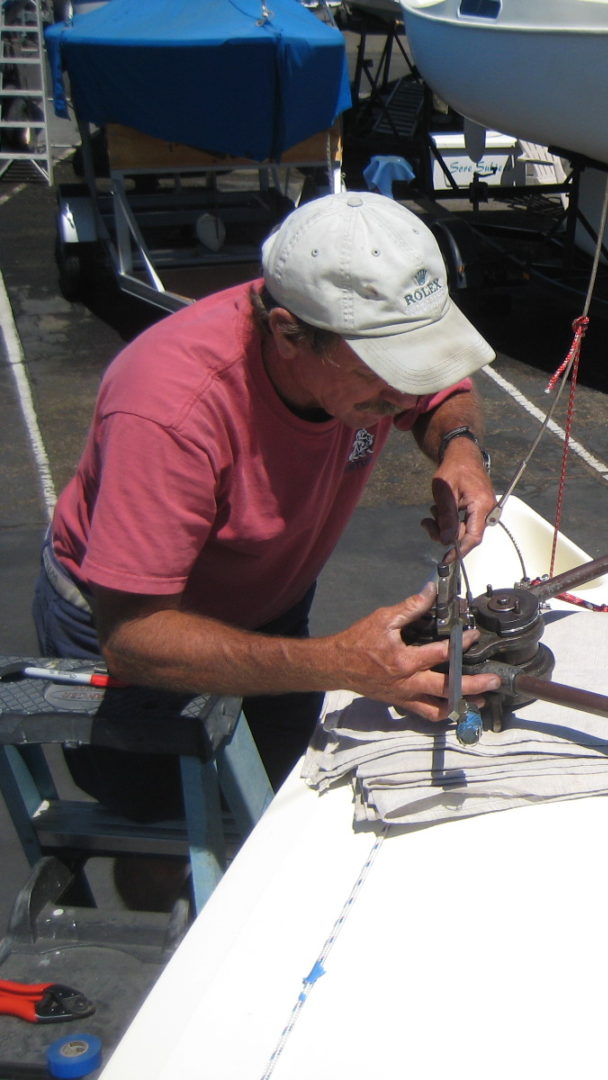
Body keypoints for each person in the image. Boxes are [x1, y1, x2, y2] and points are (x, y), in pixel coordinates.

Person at [34, 191, 504, 824]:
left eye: (416, 360)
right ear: (287, 333)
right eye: (384, 370)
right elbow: (134, 637)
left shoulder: (346, 340)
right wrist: (335, 664)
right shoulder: (168, 409)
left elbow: (441, 392)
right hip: (139, 630)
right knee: (166, 831)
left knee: (276, 804)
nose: (404, 393)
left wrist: (459, 445)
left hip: (270, 607)